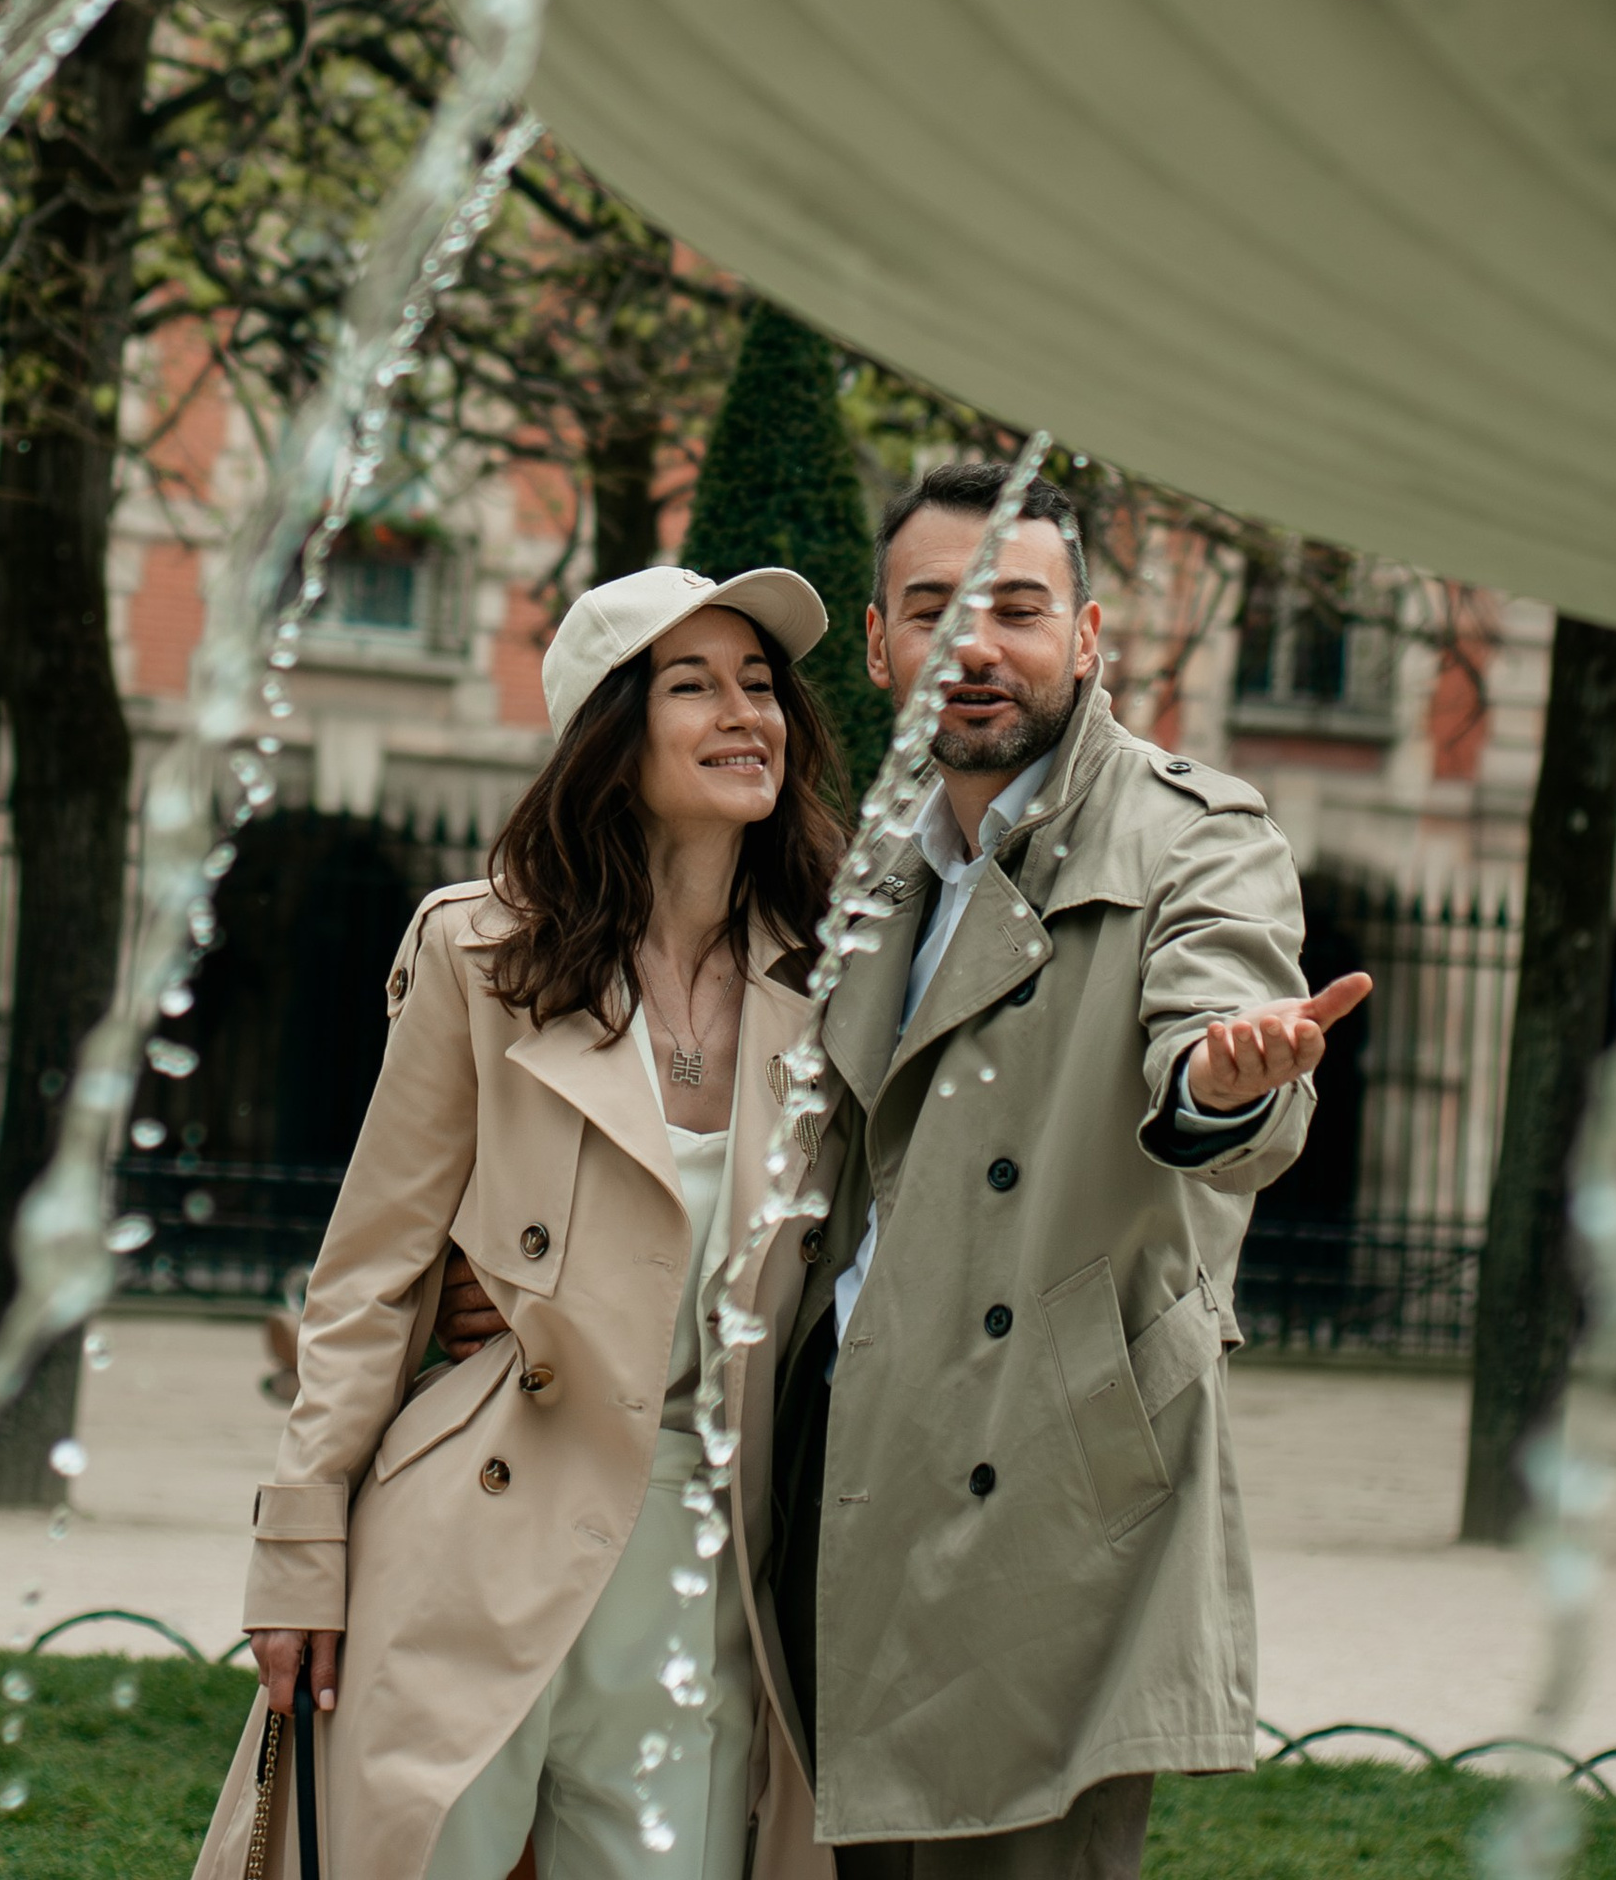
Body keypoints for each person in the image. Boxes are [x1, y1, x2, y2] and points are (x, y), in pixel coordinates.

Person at [192, 561, 847, 1880]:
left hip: (704, 1548)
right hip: (481, 1521)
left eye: (761, 683)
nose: (745, 711)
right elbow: (371, 1269)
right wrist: (299, 1553)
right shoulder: (482, 953)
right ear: (612, 730)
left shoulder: (839, 975)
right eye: (693, 683)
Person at [759, 463, 1367, 1880]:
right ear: (876, 642)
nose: (973, 645)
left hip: (1034, 1483)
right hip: (835, 1448)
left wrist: (1220, 1073)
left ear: (1088, 636)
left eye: (1015, 609)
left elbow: (1221, 1037)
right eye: (935, 609)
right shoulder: (865, 870)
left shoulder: (1193, 829)